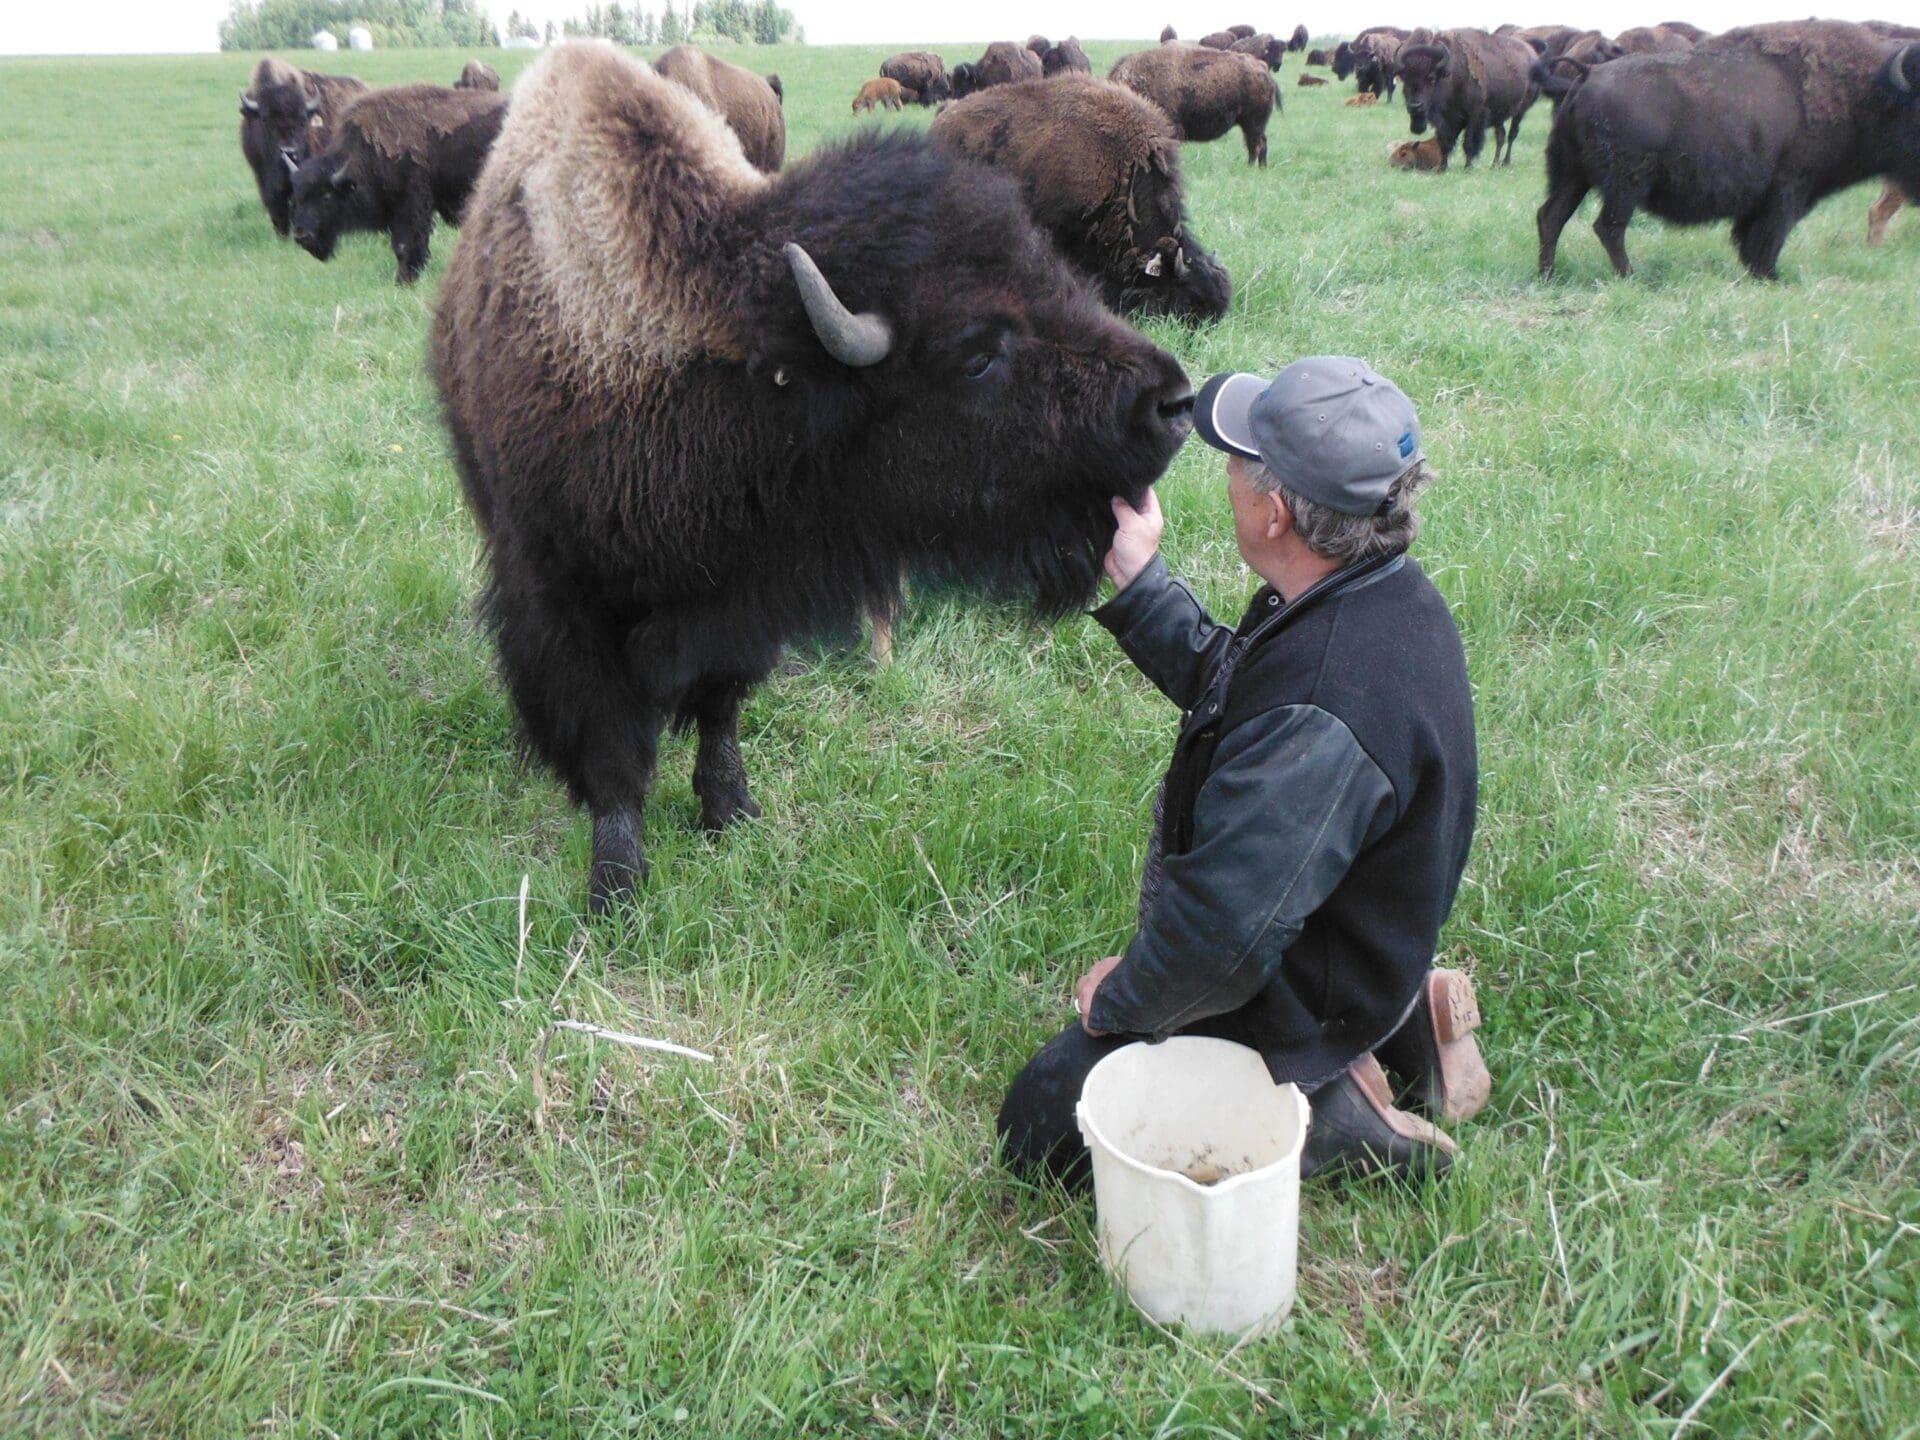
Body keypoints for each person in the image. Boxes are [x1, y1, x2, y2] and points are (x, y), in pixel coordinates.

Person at [998, 357, 1488, 1183]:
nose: (1225, 472)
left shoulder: (1321, 713)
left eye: (1237, 460)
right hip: (1351, 939)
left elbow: (1221, 941)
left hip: (1291, 990)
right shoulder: (1377, 600)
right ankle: (1402, 1013)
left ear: (1277, 513)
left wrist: (1126, 1000)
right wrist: (1139, 581)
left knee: (1041, 1122)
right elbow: (1247, 699)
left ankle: (1330, 1107)